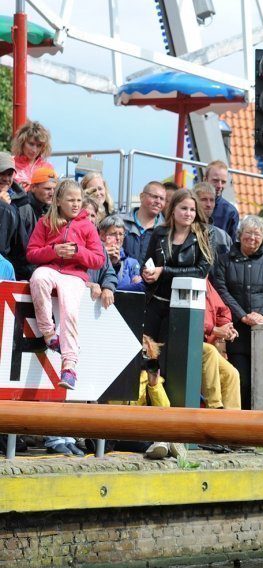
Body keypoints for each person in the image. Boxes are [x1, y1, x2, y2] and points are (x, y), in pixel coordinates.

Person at [25, 178, 106, 390]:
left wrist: (78, 252)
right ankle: (50, 335)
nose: (76, 204)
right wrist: (54, 250)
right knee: (38, 278)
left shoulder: (87, 225)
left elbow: (99, 260)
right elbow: (31, 254)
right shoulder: (45, 221)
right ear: (58, 200)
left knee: (70, 311)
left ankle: (69, 367)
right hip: (50, 269)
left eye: (79, 200)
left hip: (74, 276)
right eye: (71, 200)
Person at [213, 215, 263, 409]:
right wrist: (242, 315)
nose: (252, 237)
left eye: (257, 234)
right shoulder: (224, 261)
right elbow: (221, 290)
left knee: (262, 382)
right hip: (236, 333)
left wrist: (262, 315)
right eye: (248, 233)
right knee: (240, 381)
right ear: (239, 234)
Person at [141, 189, 214, 345]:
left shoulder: (204, 234)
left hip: (184, 306)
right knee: (147, 356)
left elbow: (201, 271)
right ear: (173, 209)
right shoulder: (159, 232)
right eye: (184, 208)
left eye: (192, 209)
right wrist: (146, 273)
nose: (188, 213)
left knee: (170, 358)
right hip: (155, 302)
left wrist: (163, 271)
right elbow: (147, 262)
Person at [202, 279, 242, 410]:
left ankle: (232, 422)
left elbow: (223, 311)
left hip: (204, 343)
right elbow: (188, 318)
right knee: (210, 351)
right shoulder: (183, 279)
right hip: (187, 342)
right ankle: (214, 407)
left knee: (232, 374)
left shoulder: (207, 283)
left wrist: (226, 327)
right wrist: (214, 330)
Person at [120, 181, 166, 263]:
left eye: (162, 199)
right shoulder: (120, 223)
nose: (158, 201)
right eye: (154, 196)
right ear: (142, 197)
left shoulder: (166, 230)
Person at [192, 182, 233, 256]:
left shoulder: (224, 237)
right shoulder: (183, 231)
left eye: (212, 200)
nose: (209, 204)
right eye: (204, 199)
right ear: (194, 201)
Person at [10, 120, 53, 188]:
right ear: (22, 142)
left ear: (43, 147)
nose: (34, 150)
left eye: (39, 145)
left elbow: (52, 190)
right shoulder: (10, 163)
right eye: (31, 144)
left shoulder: (47, 167)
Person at [204, 160, 240, 240]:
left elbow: (231, 246)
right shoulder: (191, 206)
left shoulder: (231, 212)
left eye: (223, 182)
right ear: (205, 180)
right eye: (215, 181)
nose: (219, 186)